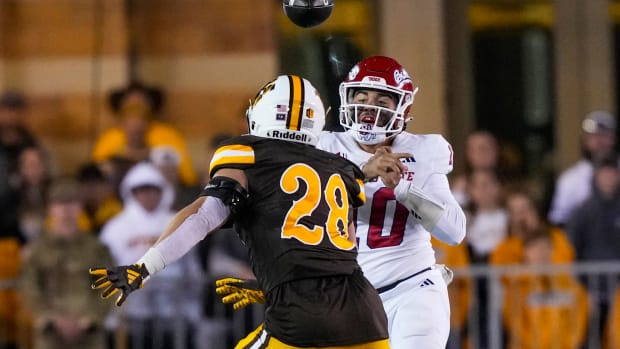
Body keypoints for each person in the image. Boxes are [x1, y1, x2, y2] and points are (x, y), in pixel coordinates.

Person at [90, 75, 390, 348]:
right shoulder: (341, 168)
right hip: (367, 317)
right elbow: (341, 250)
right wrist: (271, 281)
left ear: (260, 113)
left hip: (301, 318)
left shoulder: (248, 154)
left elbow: (204, 215)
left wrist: (144, 267)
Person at [217, 56, 466, 348]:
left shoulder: (423, 151)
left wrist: (405, 189)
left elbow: (455, 231)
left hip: (412, 289)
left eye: (381, 103)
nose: (368, 109)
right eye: (361, 98)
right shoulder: (321, 147)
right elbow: (292, 223)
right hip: (347, 300)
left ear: (402, 108)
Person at [98, 161, 203, 349]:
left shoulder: (178, 221)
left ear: (161, 191)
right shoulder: (115, 227)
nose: (147, 195)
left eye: (152, 189)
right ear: (132, 192)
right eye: (141, 190)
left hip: (173, 313)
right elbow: (105, 265)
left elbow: (192, 266)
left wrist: (193, 307)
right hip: (130, 315)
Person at [19, 178, 114, 349]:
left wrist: (89, 318)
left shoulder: (96, 248)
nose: (66, 210)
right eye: (60, 204)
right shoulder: (38, 249)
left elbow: (109, 284)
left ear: (80, 207)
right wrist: (49, 317)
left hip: (90, 332)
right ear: (50, 209)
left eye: (71, 203)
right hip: (50, 333)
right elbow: (29, 286)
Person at [91, 81, 198, 186]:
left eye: (141, 105)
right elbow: (96, 176)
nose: (137, 105)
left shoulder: (167, 135)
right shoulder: (110, 138)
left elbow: (187, 177)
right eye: (131, 108)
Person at [548, 110, 618, 226]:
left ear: (613, 139)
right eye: (594, 136)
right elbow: (559, 221)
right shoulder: (570, 179)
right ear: (584, 140)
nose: (600, 141)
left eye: (605, 135)